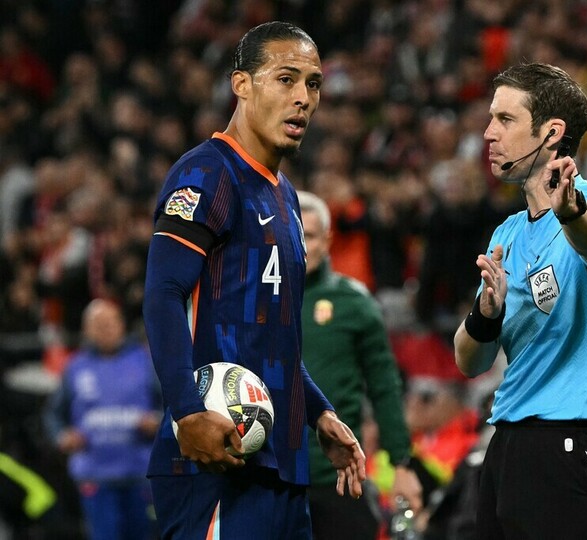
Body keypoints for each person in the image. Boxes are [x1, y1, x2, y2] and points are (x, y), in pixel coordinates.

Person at [142, 22, 366, 540]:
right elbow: (163, 294)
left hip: (281, 465)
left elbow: (273, 337)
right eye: (286, 79)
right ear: (241, 84)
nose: (303, 98)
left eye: (313, 84)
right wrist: (187, 414)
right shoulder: (207, 173)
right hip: (214, 459)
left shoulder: (286, 197)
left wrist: (319, 413)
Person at [453, 62, 587, 539]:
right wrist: (485, 315)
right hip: (506, 445)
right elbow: (469, 361)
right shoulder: (507, 233)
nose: (488, 133)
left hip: (575, 444)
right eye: (491, 119)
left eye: (505, 119)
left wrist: (572, 212)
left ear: (551, 132)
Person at [297, 190, 422, 540]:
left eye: (310, 236)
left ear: (328, 240)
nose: (302, 246)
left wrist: (401, 462)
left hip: (337, 476)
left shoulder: (354, 304)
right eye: (295, 235)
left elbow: (385, 387)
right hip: (272, 476)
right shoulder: (259, 301)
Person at [44, 299, 161, 540]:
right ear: (86, 330)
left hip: (140, 472)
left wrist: (158, 421)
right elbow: (53, 413)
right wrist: (62, 436)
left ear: (121, 325)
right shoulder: (75, 367)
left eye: (110, 323)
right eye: (98, 325)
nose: (105, 329)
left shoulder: (145, 361)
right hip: (95, 474)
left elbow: (169, 404)